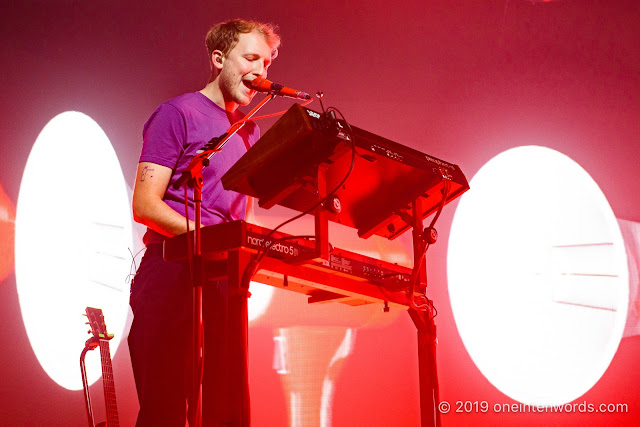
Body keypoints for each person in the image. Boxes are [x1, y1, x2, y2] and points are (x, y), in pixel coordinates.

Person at [128, 19, 281, 426]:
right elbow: (145, 205)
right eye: (251, 58)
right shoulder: (176, 113)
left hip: (224, 279)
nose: (261, 72)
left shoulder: (250, 132)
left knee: (226, 407)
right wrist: (212, 238)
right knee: (164, 407)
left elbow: (240, 214)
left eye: (266, 63)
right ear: (218, 59)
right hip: (171, 269)